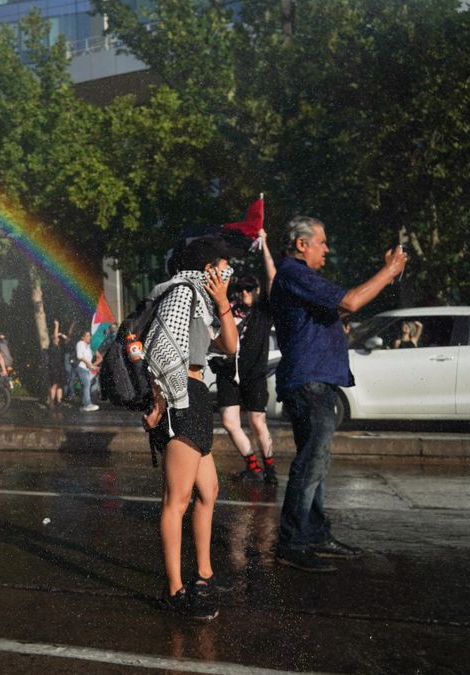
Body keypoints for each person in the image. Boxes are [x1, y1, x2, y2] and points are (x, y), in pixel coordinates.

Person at [270, 216, 406, 572]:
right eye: (322, 242)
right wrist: (389, 271)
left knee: (317, 463)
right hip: (308, 381)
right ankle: (293, 541)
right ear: (302, 244)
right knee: (311, 462)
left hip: (318, 380)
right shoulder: (294, 273)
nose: (327, 249)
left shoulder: (301, 277)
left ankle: (314, 534)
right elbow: (350, 301)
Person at [144, 235, 240, 621]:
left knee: (209, 490)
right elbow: (161, 351)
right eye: (221, 264)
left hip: (197, 396)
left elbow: (230, 346)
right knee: (177, 499)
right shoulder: (181, 293)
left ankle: (203, 574)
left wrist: (223, 302)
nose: (226, 270)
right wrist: (160, 403)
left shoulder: (201, 302)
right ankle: (174, 590)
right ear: (205, 268)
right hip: (179, 399)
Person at [213, 228, 280, 484]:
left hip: (254, 375)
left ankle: (270, 468)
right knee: (230, 422)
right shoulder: (228, 309)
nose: (244, 293)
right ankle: (252, 466)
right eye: (240, 289)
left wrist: (264, 245)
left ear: (258, 290)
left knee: (257, 422)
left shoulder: (264, 311)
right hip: (228, 373)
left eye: (249, 289)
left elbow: (272, 276)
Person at [73, 330, 100, 412]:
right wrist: (89, 364)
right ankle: (88, 404)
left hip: (86, 368)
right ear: (83, 337)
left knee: (86, 385)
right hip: (81, 367)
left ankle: (83, 404)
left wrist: (93, 366)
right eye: (88, 335)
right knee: (87, 384)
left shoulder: (87, 346)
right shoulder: (80, 343)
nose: (90, 337)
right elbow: (79, 356)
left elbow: (90, 359)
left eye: (90, 335)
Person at [46, 322, 65, 410]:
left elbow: (68, 340)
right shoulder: (52, 346)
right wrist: (57, 326)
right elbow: (55, 336)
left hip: (60, 368)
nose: (58, 339)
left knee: (60, 385)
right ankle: (51, 402)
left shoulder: (59, 347)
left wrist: (63, 335)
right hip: (53, 368)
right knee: (54, 385)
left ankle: (59, 402)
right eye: (56, 338)